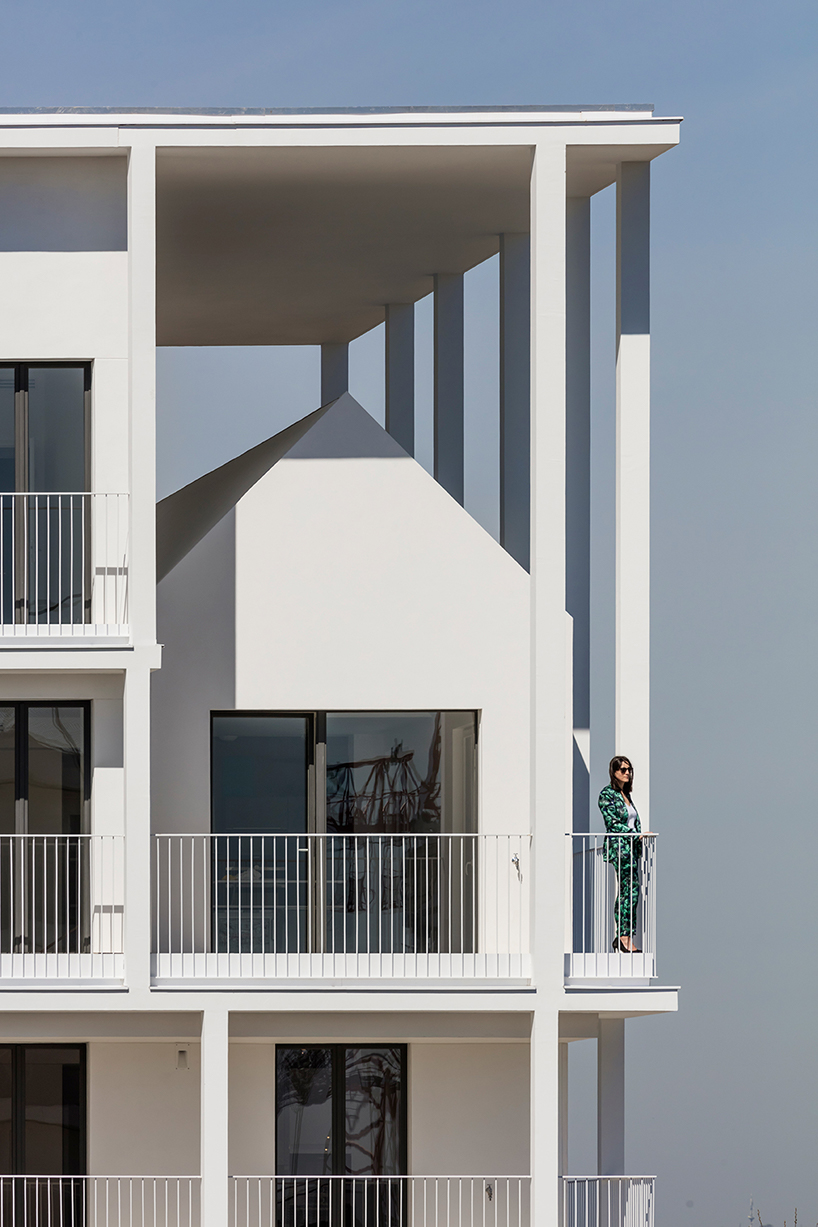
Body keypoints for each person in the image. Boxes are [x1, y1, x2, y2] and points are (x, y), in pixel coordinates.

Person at [598, 756, 647, 953]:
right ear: (614, 772)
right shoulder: (607, 794)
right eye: (623, 769)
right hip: (620, 848)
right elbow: (612, 824)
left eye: (629, 769)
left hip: (631, 850)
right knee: (627, 892)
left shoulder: (626, 795)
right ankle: (623, 936)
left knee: (631, 891)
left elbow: (632, 821)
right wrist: (636, 834)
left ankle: (626, 936)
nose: (627, 773)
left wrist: (638, 835)